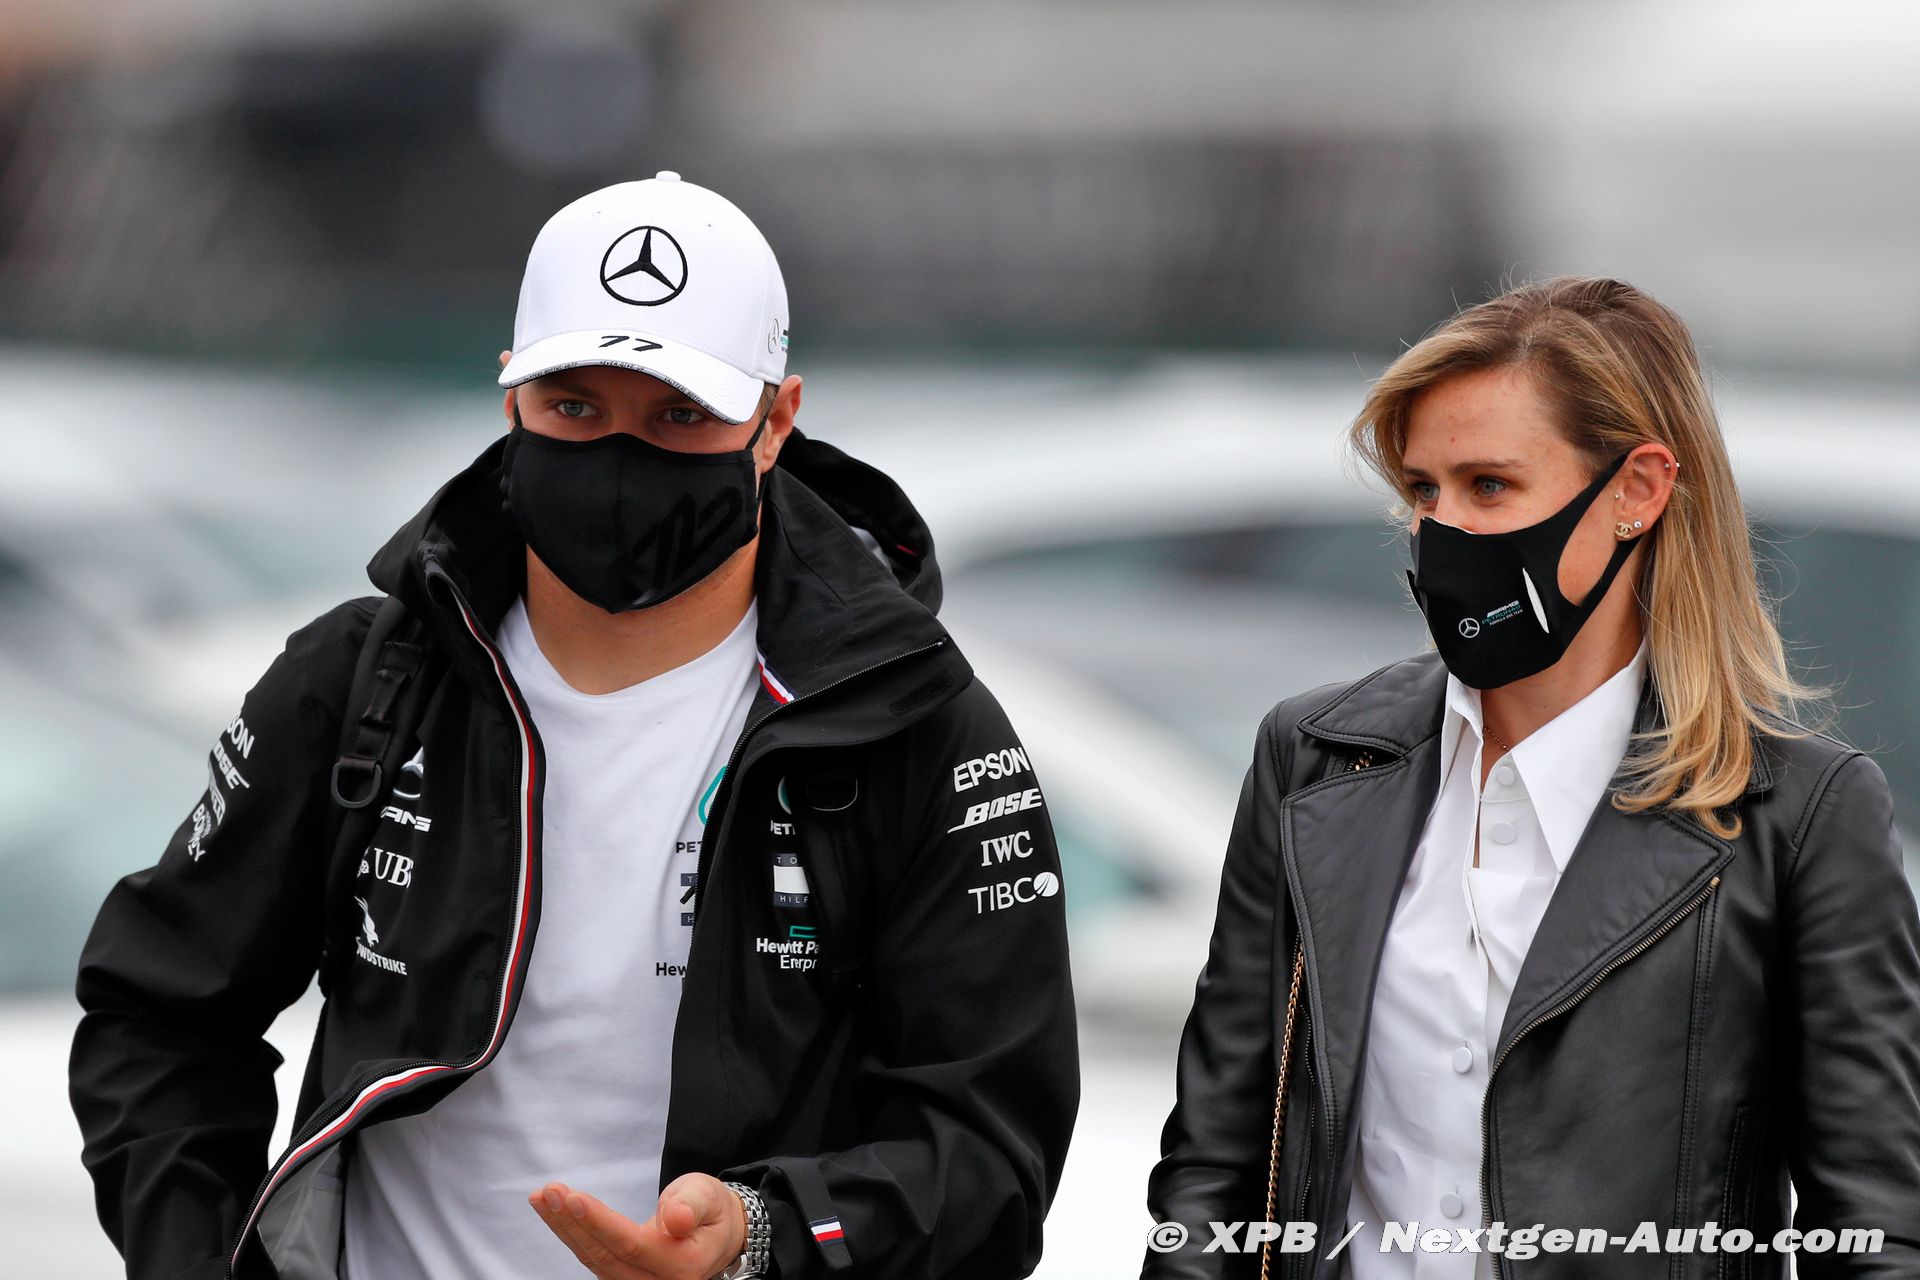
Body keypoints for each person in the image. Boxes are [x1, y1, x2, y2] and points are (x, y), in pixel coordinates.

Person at [71, 172, 1079, 1280]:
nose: (619, 459)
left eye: (679, 415)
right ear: (511, 397)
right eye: (576, 408)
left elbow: (992, 1154)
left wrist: (760, 1237)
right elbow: (159, 1015)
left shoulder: (916, 725)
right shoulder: (362, 680)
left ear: (776, 421)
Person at [1142, 276, 1920, 1278]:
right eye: (1423, 491)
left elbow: (1877, 1227)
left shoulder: (1800, 816)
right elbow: (1214, 1165)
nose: (1443, 531)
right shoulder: (1313, 757)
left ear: (1637, 490)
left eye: (1490, 486)